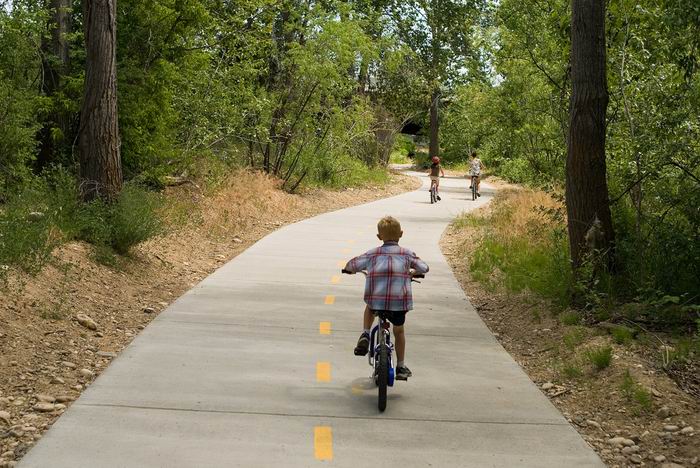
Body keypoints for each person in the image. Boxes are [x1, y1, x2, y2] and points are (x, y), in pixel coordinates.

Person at [343, 216, 429, 380]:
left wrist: (350, 270)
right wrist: (413, 272)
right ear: (401, 234)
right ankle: (401, 367)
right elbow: (424, 267)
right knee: (399, 331)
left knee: (370, 305)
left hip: (376, 302)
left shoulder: (372, 254)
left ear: (379, 236)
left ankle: (366, 334)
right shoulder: (407, 254)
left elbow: (351, 265)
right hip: (398, 304)